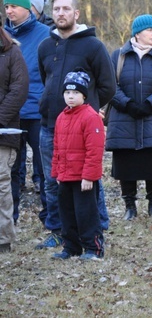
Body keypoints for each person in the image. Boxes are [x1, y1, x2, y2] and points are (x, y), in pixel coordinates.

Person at [36, 0, 115, 249]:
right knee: (52, 181)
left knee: (88, 181)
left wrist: (89, 109)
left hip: (82, 129)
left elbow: (108, 86)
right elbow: (46, 80)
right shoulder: (45, 46)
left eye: (66, 9)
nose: (60, 13)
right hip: (50, 127)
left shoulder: (93, 46)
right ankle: (60, 230)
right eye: (56, 9)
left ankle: (96, 231)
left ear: (76, 13)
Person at [105, 15, 152, 220]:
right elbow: (109, 85)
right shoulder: (118, 56)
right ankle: (129, 207)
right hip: (124, 119)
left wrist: (151, 103)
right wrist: (128, 104)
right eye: (150, 30)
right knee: (127, 165)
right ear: (137, 33)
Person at [4, 0, 49, 224]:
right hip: (11, 114)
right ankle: (10, 220)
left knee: (44, 169)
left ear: (27, 9)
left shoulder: (44, 34)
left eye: (13, 6)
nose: (9, 11)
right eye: (6, 6)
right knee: (10, 170)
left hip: (38, 112)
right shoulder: (3, 34)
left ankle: (50, 219)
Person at [50, 71, 105, 260]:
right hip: (65, 176)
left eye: (75, 93)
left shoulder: (91, 117)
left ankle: (93, 248)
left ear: (83, 95)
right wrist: (57, 172)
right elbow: (57, 147)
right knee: (67, 213)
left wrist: (89, 176)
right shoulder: (61, 117)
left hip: (83, 178)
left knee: (86, 214)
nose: (70, 97)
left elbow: (95, 150)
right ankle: (71, 247)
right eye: (67, 93)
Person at [0, 25, 29, 252]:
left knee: (1, 185)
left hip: (3, 132)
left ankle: (3, 238)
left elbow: (19, 90)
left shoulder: (12, 53)